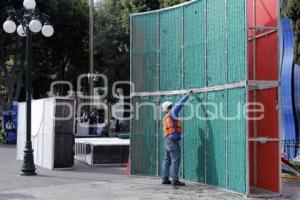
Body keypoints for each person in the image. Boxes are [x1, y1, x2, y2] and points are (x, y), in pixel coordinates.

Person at [161, 90, 193, 186]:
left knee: (167, 160)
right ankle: (175, 180)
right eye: (171, 106)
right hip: (173, 141)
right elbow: (180, 104)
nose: (173, 107)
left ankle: (165, 178)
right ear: (169, 108)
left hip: (167, 141)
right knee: (176, 160)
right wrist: (187, 95)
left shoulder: (165, 117)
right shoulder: (172, 113)